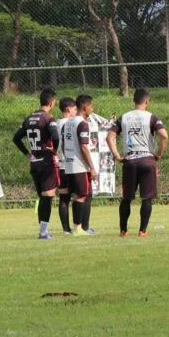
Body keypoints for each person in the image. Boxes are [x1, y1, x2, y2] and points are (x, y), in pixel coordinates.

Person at [107, 88, 169, 237]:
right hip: (147, 160)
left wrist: (117, 155)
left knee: (127, 198)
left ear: (133, 101)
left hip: (130, 161)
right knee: (146, 197)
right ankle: (142, 231)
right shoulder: (151, 117)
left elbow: (109, 137)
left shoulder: (124, 117)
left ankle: (123, 230)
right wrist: (158, 154)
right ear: (147, 101)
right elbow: (164, 135)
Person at [12, 88, 60, 239]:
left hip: (34, 162)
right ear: (52, 102)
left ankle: (43, 230)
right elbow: (56, 136)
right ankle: (44, 231)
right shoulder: (49, 118)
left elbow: (16, 138)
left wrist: (27, 153)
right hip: (46, 160)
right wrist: (55, 150)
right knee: (48, 195)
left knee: (43, 196)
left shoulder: (29, 118)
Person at [61, 95, 98, 235]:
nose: (92, 108)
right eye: (91, 106)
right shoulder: (82, 124)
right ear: (85, 107)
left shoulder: (67, 123)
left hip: (69, 165)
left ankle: (79, 227)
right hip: (79, 167)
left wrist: (68, 159)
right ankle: (77, 228)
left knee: (80, 195)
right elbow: (83, 147)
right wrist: (92, 168)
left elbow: (63, 145)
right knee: (82, 195)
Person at [53, 97, 76, 235]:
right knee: (79, 196)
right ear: (68, 109)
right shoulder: (73, 123)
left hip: (60, 165)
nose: (75, 111)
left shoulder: (55, 124)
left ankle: (65, 229)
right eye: (74, 109)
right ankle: (79, 226)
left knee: (64, 198)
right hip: (73, 165)